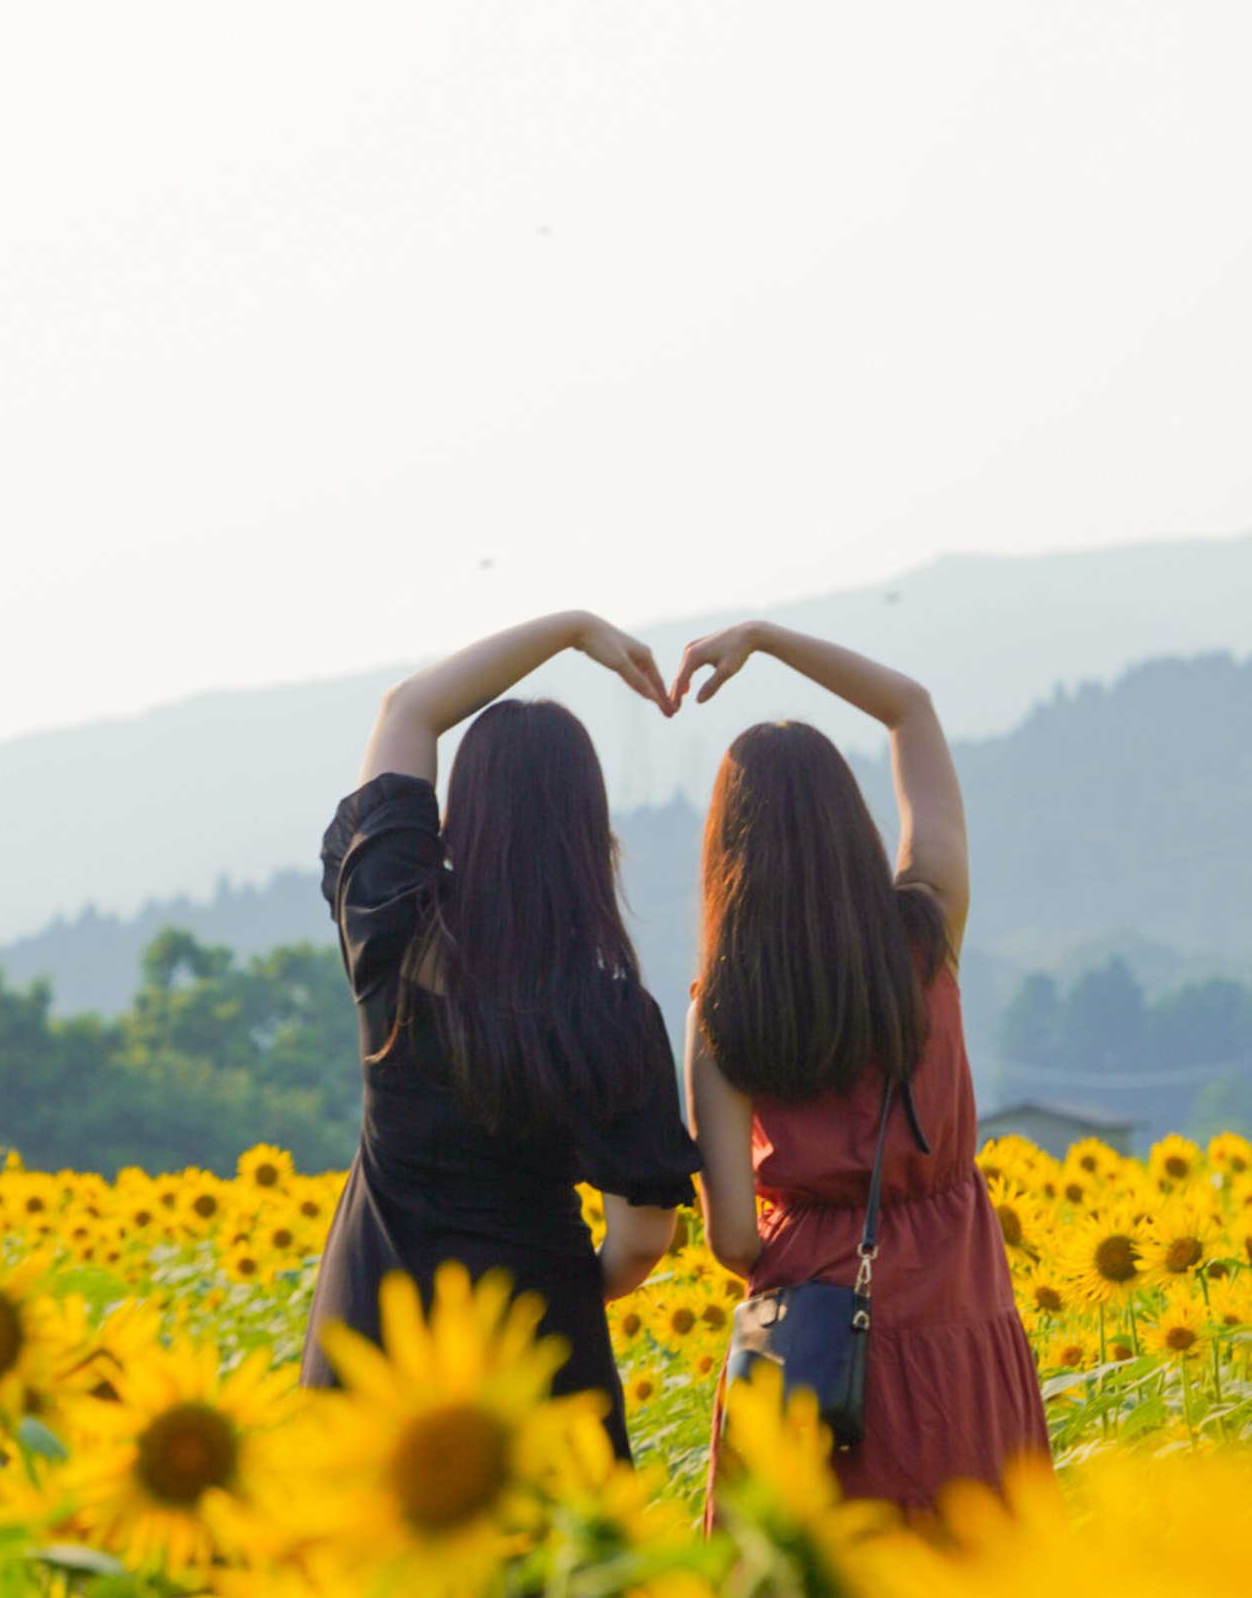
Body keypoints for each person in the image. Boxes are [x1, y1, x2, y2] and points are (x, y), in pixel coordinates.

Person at [300, 610, 703, 1460]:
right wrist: (561, 1282)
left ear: (455, 819)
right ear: (590, 837)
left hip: (375, 1344)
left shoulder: (392, 938)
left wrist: (568, 631)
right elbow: (639, 1240)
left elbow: (409, 710)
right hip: (542, 1360)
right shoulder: (614, 1015)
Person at [671, 620, 1050, 1517]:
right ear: (850, 827)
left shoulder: (718, 1009)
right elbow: (909, 708)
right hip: (957, 1301)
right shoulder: (927, 931)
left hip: (812, 1349)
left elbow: (730, 1239)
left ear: (729, 859)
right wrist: (763, 639)